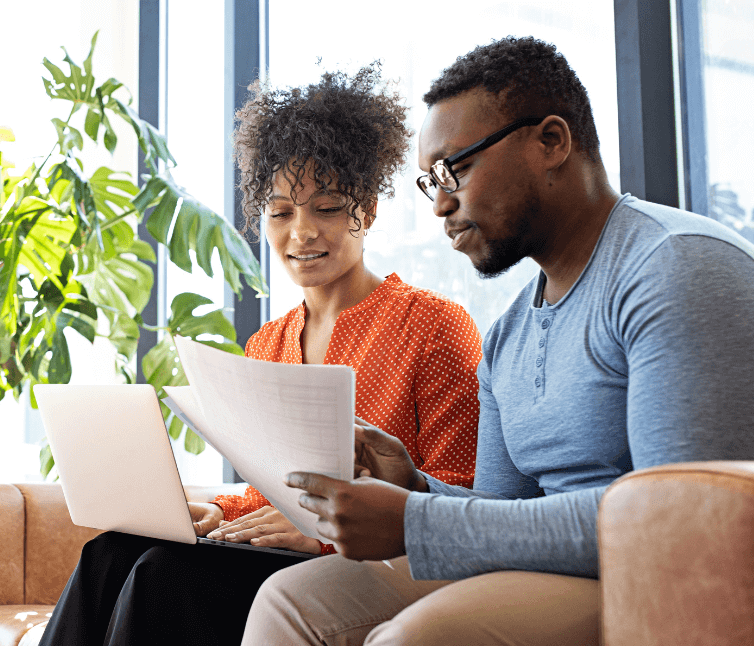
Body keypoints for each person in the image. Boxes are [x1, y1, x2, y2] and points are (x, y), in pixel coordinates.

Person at [241, 36, 754, 646]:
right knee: (289, 602)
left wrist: (416, 520)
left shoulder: (673, 266)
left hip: (653, 575)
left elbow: (678, 515)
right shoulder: (510, 333)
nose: (441, 204)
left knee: (417, 638)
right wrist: (413, 486)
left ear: (551, 143)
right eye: (431, 180)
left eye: (455, 169)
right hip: (552, 568)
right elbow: (496, 511)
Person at [38, 64, 483, 646]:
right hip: (274, 556)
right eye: (281, 212)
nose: (302, 233)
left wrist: (323, 533)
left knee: (163, 575)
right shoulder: (267, 344)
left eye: (327, 207)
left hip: (369, 566)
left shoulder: (433, 325)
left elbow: (459, 491)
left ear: (368, 210)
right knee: (109, 554)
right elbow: (269, 491)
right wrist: (217, 512)